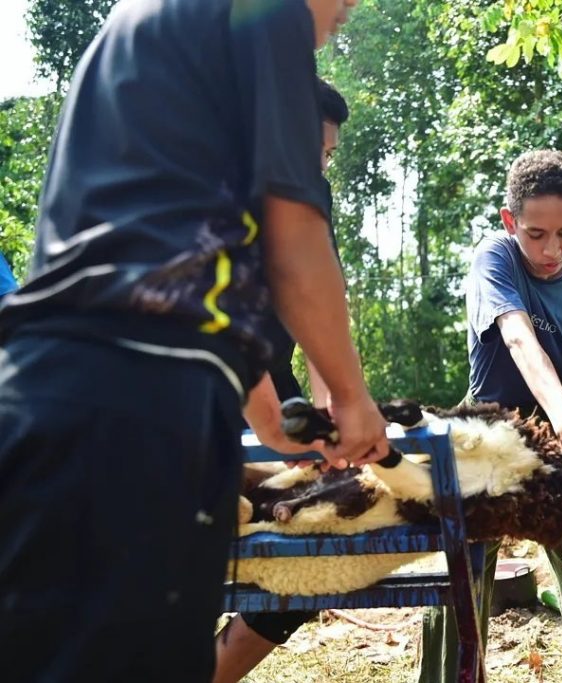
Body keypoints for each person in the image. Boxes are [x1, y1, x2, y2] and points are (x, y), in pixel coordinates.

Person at [0, 1, 389, 681]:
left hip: (50, 392)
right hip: (138, 411)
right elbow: (293, 236)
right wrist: (352, 398)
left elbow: (182, 267)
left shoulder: (148, 26)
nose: (348, 13)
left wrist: (273, 421)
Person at [418, 149, 562, 683]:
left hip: (559, 443)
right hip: (487, 439)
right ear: (511, 222)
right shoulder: (496, 256)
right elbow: (516, 335)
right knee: (459, 580)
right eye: (535, 234)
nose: (551, 249)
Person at [212, 77, 351, 683]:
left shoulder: (310, 200)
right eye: (310, 151)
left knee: (326, 530)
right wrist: (268, 424)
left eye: (326, 156)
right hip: (188, 393)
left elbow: (323, 321)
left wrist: (336, 416)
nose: (319, 167)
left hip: (273, 388)